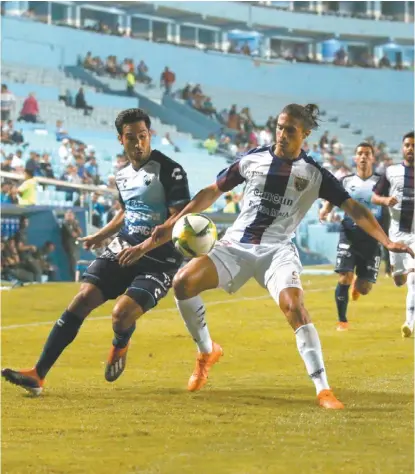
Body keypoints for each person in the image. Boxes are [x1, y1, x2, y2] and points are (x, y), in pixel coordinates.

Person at [115, 104, 413, 410]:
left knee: (294, 307)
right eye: (280, 127)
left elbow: (355, 209)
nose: (282, 134)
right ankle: (206, 351)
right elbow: (211, 191)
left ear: (305, 134)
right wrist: (170, 224)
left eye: (291, 130)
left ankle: (323, 390)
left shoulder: (314, 174)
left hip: (277, 250)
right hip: (236, 245)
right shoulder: (252, 159)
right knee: (182, 283)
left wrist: (387, 242)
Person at [2, 108, 190, 395]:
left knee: (121, 315)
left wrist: (143, 248)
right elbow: (127, 212)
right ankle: (38, 374)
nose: (138, 143)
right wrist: (101, 235)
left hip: (159, 259)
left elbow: (178, 218)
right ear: (120, 140)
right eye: (131, 138)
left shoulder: (171, 170)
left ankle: (120, 342)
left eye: (143, 136)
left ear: (150, 135)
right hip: (125, 247)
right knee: (82, 298)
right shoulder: (122, 175)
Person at [319, 143, 382, 331]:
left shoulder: (380, 182)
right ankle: (342, 320)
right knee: (344, 277)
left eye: (367, 154)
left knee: (364, 288)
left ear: (372, 158)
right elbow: (333, 197)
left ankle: (358, 285)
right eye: (360, 153)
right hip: (349, 234)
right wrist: (325, 210)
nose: (363, 157)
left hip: (372, 238)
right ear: (355, 158)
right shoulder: (346, 181)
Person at [372, 131, 415, 337]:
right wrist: (385, 201)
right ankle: (400, 271)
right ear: (402, 148)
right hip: (396, 234)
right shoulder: (391, 172)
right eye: (407, 145)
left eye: (414, 146)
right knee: (400, 280)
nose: (410, 149)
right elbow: (374, 196)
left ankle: (409, 323)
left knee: (414, 279)